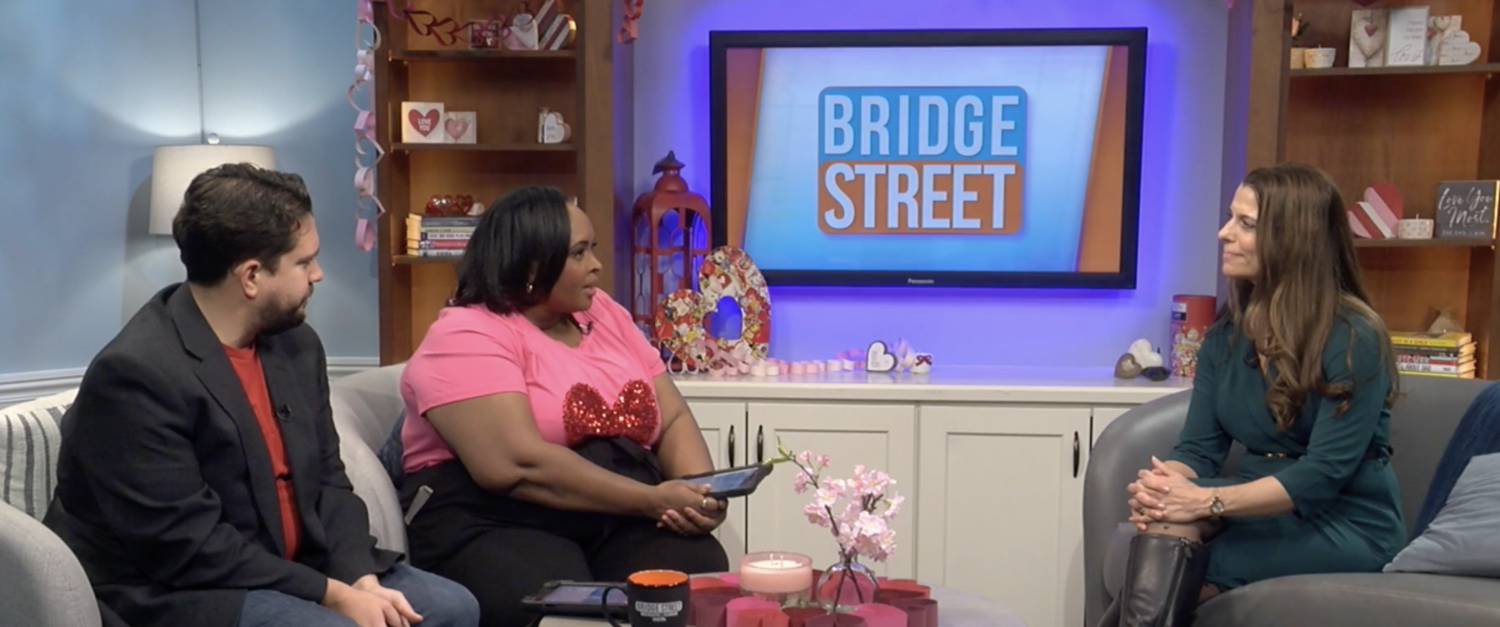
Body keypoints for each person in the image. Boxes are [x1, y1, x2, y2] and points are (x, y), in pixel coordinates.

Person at [45, 164, 480, 627]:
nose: (318, 274)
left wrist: (360, 578)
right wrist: (331, 595)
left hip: (293, 564)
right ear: (251, 276)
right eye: (304, 262)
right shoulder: (135, 376)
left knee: (452, 608)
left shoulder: (296, 345)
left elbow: (329, 481)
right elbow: (186, 545)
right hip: (180, 587)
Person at [398, 185, 730, 627]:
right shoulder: (465, 334)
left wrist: (697, 493)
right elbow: (514, 465)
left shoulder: (603, 313)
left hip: (616, 510)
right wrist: (651, 500)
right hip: (497, 517)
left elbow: (672, 417)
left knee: (692, 577)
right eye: (578, 253)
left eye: (593, 248)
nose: (596, 264)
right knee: (563, 614)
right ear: (532, 264)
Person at [1100, 163, 1406, 627]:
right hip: (1254, 509)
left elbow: (1323, 474)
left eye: (1246, 224)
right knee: (1164, 530)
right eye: (1231, 217)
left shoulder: (1354, 337)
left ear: (1293, 240)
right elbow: (1198, 449)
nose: (1224, 233)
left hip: (1344, 521)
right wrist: (1165, 487)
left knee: (1173, 568)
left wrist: (1202, 502)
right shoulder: (1227, 335)